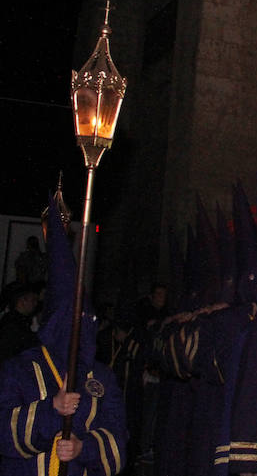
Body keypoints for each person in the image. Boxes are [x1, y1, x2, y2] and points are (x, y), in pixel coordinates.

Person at [0, 199, 126, 476]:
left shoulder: (101, 378)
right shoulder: (19, 370)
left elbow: (118, 447)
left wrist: (85, 449)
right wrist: (52, 409)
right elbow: (3, 433)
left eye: (85, 322)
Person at [0, 284, 39, 364]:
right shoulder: (12, 323)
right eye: (33, 300)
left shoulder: (23, 321)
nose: (35, 304)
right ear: (22, 301)